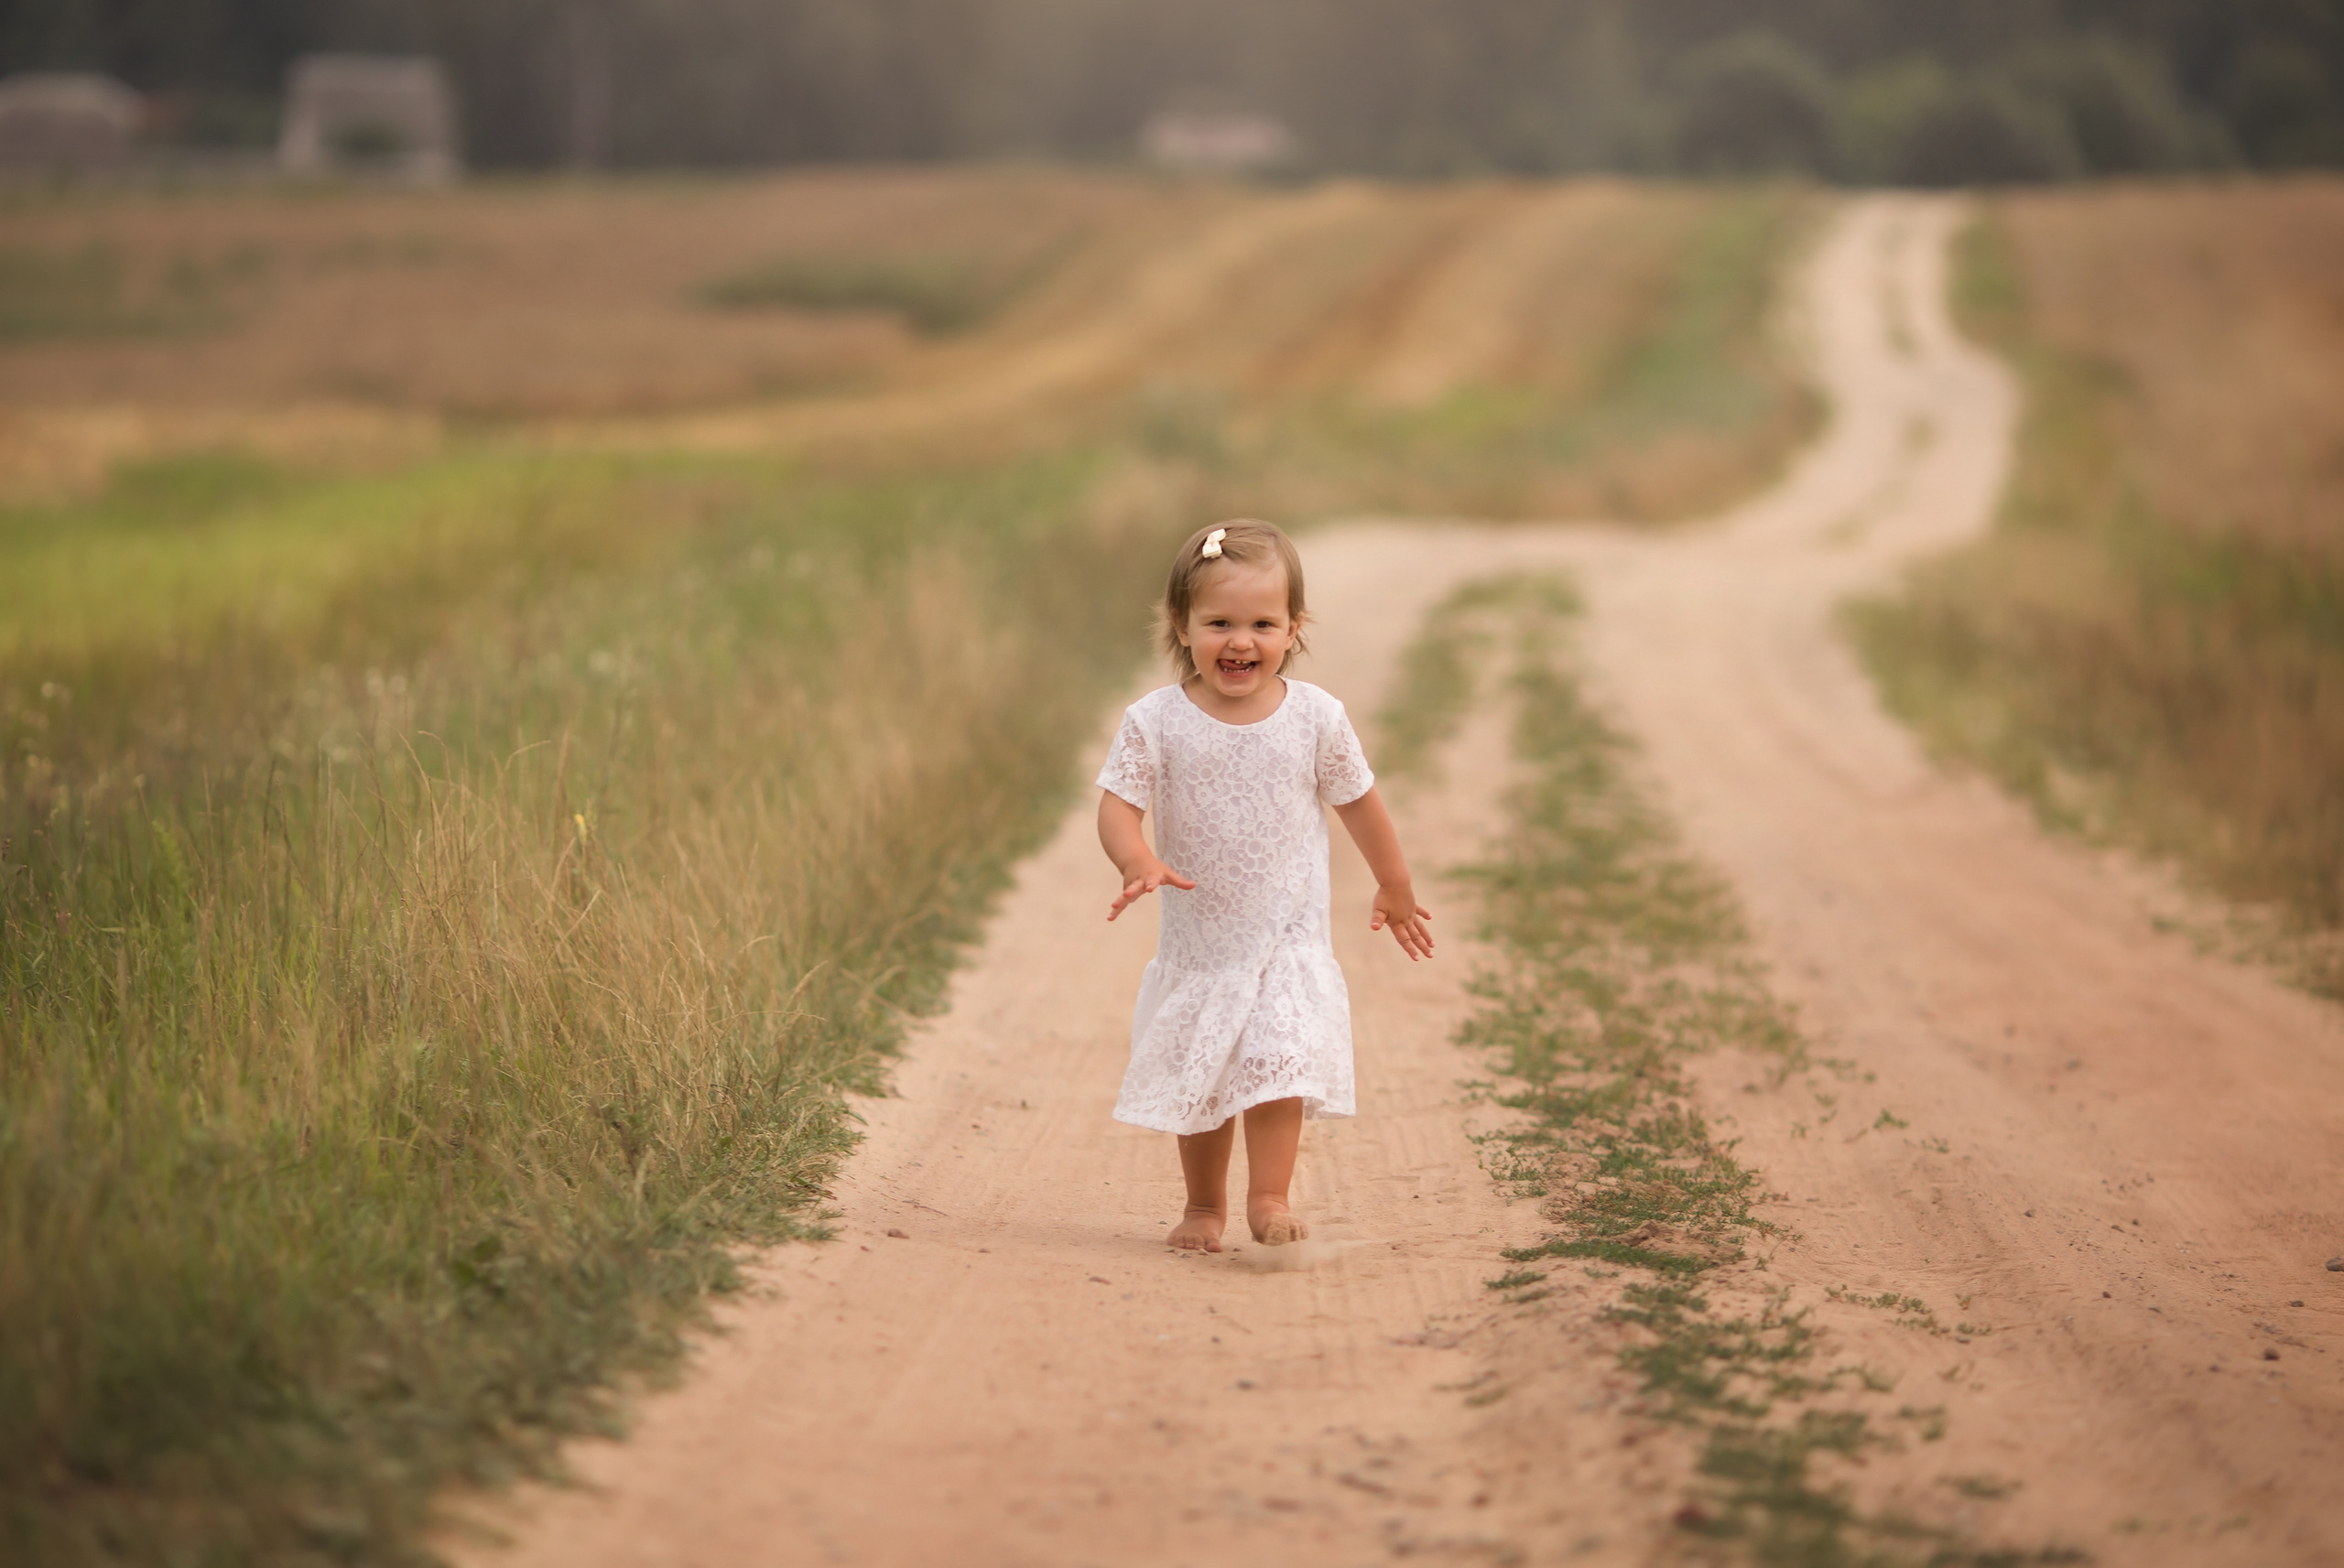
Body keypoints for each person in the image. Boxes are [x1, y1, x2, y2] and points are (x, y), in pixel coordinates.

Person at [1095, 519, 1434, 1253]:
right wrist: (1136, 859)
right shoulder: (1156, 722)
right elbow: (1118, 805)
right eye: (1219, 623)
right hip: (1204, 943)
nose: (1239, 641)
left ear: (1293, 628)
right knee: (1209, 1073)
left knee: (1278, 1057)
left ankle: (1270, 1197)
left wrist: (1394, 883)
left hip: (1287, 934)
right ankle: (1202, 1206)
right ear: (1181, 626)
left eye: (1261, 623)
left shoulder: (1316, 717)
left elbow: (1359, 802)